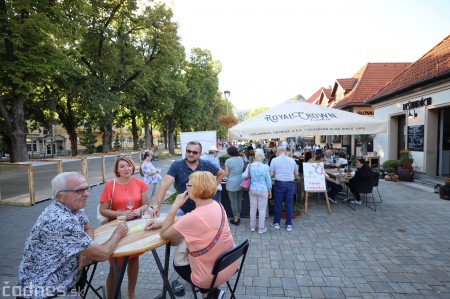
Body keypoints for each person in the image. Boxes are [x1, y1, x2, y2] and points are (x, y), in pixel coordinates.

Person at [17, 172, 128, 299]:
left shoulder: (73, 207)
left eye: (86, 188)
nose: (87, 194)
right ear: (60, 196)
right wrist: (118, 233)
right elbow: (103, 254)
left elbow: (88, 227)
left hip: (66, 282)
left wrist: (84, 250)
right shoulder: (61, 220)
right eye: (79, 191)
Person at [145, 172, 236, 299]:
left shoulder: (195, 216)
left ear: (196, 188)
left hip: (210, 277)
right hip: (229, 266)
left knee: (178, 263)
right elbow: (187, 220)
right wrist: (160, 222)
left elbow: (164, 234)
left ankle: (208, 291)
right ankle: (210, 293)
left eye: (189, 184)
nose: (186, 186)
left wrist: (175, 205)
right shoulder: (217, 205)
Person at [99, 155, 149, 299]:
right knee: (116, 266)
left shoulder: (140, 183)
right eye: (122, 166)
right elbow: (103, 210)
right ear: (117, 170)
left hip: (134, 227)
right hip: (116, 229)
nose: (126, 169)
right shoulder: (110, 185)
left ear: (133, 167)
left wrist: (140, 210)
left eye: (128, 165)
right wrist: (120, 214)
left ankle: (131, 293)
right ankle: (112, 296)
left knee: (133, 259)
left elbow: (145, 203)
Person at [153, 141, 225, 217]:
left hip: (203, 210)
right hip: (182, 209)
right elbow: (164, 185)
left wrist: (211, 188)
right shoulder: (177, 165)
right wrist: (156, 207)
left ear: (200, 154)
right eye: (188, 151)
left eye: (194, 152)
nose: (191, 154)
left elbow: (221, 173)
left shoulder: (206, 164)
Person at [242, 148, 272, 234]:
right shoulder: (266, 167)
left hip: (252, 189)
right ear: (262, 157)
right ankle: (261, 228)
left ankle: (252, 227)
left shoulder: (250, 166)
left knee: (253, 208)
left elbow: (244, 176)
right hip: (263, 190)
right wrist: (270, 190)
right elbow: (268, 180)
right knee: (262, 209)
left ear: (255, 156)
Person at [270, 146, 299, 232]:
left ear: (278, 152)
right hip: (290, 184)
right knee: (289, 205)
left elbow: (271, 174)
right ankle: (289, 224)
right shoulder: (292, 160)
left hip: (279, 183)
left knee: (278, 204)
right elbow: (296, 173)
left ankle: (277, 223)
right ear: (285, 152)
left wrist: (277, 173)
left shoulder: (274, 160)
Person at [224, 146, 245, 225]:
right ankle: (238, 216)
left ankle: (236, 219)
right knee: (239, 201)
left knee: (233, 202)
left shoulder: (228, 161)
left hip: (231, 183)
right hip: (240, 182)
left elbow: (226, 173)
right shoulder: (241, 158)